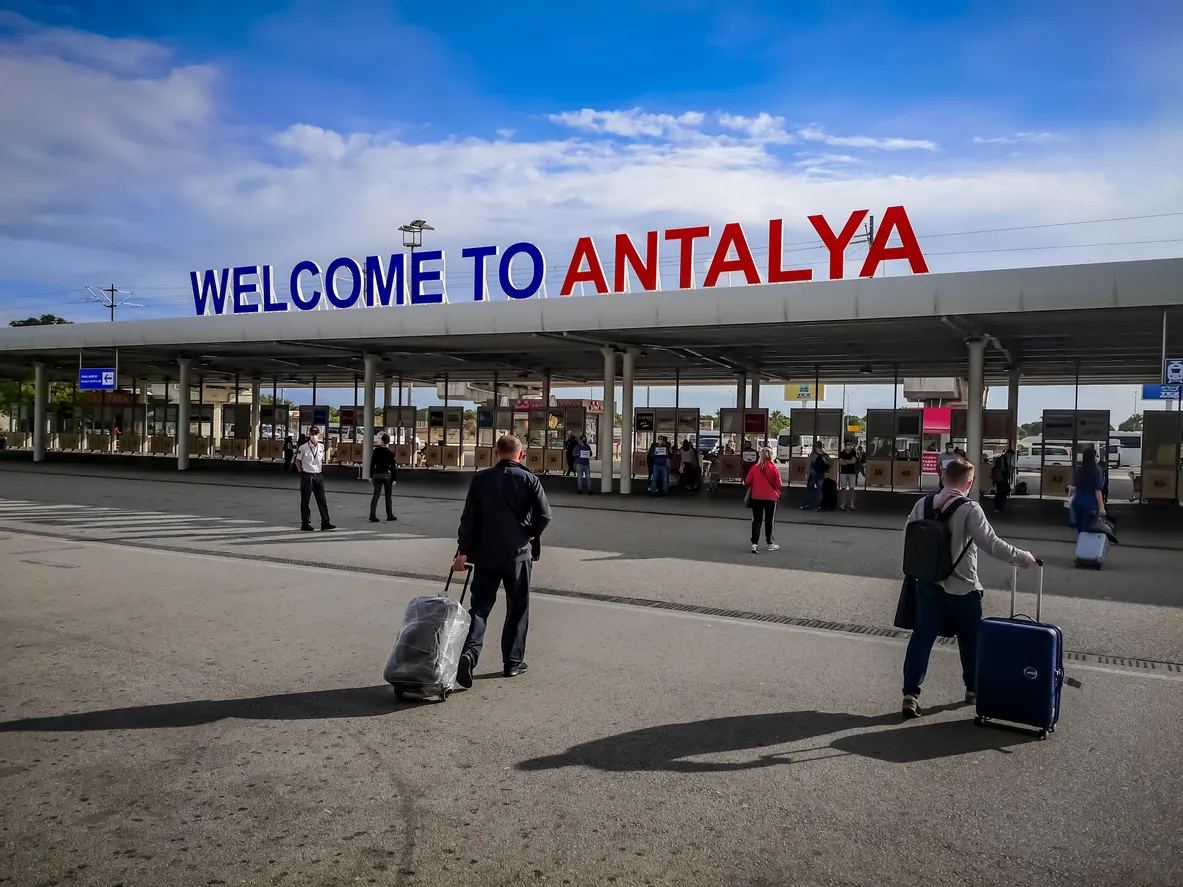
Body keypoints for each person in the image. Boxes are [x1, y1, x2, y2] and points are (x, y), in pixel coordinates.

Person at [901, 458, 1036, 719]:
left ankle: (910, 694)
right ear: (970, 483)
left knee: (921, 640)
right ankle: (973, 690)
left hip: (927, 585)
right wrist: (1023, 558)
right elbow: (991, 544)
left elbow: (910, 537)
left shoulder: (922, 504)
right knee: (972, 642)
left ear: (943, 478)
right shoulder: (970, 509)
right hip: (963, 588)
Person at [453, 434, 552, 686]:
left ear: (496, 453)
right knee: (517, 607)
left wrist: (463, 551)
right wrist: (529, 533)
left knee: (480, 607)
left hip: (485, 554)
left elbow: (469, 519)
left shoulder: (480, 480)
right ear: (521, 454)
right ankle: (513, 662)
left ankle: (470, 653)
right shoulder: (530, 479)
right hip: (518, 554)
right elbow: (544, 515)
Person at [295, 426, 334, 531]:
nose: (314, 436)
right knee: (305, 501)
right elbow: (298, 460)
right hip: (307, 475)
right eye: (312, 434)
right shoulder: (303, 447)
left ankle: (325, 522)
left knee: (322, 500)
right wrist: (301, 470)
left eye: (316, 434)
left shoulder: (321, 447)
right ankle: (305, 523)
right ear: (309, 435)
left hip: (318, 475)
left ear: (319, 435)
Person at [744, 447, 782, 553]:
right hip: (770, 498)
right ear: (771, 456)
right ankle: (770, 543)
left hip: (756, 497)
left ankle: (754, 544)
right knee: (769, 521)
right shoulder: (774, 468)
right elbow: (778, 484)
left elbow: (747, 481)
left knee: (757, 520)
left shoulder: (754, 468)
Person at [1070, 446, 1106, 532]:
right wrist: (1102, 507)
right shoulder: (1097, 472)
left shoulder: (1078, 470)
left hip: (1078, 502)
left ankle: (1081, 541)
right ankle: (1087, 544)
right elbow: (1098, 491)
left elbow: (1075, 486)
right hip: (1091, 503)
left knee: (1080, 527)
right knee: (1089, 528)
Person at [369, 432, 398, 522]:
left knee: (376, 495)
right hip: (387, 475)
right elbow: (393, 467)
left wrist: (370, 475)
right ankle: (389, 515)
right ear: (389, 442)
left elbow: (372, 463)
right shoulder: (391, 452)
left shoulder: (376, 451)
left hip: (377, 474)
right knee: (388, 496)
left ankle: (372, 515)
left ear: (381, 441)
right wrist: (394, 479)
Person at [801, 441, 830, 510]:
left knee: (810, 487)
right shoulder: (825, 455)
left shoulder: (813, 455)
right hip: (821, 474)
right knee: (820, 489)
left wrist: (806, 473)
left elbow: (809, 465)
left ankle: (809, 503)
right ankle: (819, 505)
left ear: (815, 447)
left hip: (814, 473)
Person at [837, 439, 859, 511]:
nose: (849, 446)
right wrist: (850, 461)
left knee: (852, 489)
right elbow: (840, 463)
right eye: (847, 444)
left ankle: (852, 504)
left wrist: (845, 461)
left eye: (850, 444)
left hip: (852, 473)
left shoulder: (853, 453)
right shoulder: (842, 453)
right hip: (843, 473)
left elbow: (854, 461)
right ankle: (843, 504)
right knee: (843, 489)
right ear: (845, 445)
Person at [992, 447, 1015, 514]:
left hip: (1001, 478)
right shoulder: (1002, 459)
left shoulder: (1003, 459)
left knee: (1001, 492)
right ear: (1008, 454)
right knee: (1002, 492)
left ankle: (999, 507)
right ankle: (998, 507)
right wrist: (1009, 469)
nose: (1011, 457)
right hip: (1001, 478)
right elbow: (1001, 469)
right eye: (1011, 455)